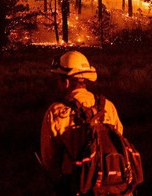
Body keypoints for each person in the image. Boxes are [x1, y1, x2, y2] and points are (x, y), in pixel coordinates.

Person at [40, 50, 124, 195]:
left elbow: (49, 159)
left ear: (66, 82)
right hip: (112, 186)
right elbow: (118, 140)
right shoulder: (107, 106)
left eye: (58, 79)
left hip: (77, 186)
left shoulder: (56, 112)